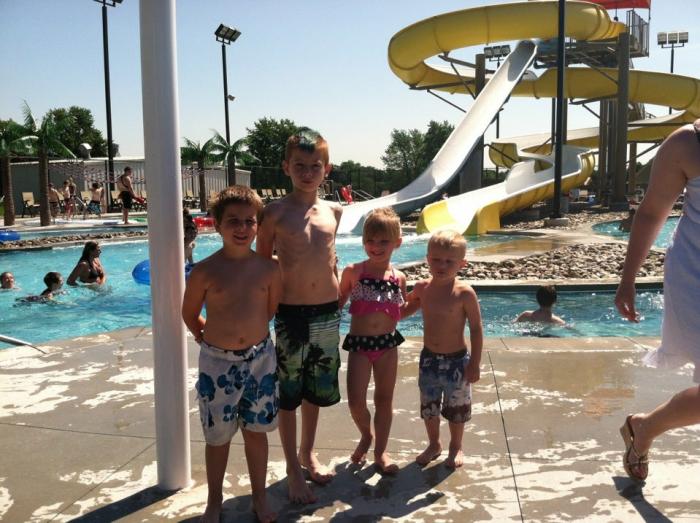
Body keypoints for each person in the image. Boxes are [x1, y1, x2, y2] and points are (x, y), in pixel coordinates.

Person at [182, 186, 281, 523]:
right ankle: (214, 500)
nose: (242, 228)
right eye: (233, 221)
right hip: (217, 364)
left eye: (249, 221)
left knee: (256, 432)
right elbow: (189, 312)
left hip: (260, 361)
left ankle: (259, 497)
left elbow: (269, 311)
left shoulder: (269, 269)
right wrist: (205, 336)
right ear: (217, 224)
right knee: (218, 437)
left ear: (258, 225)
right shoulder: (205, 271)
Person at [256, 128, 343, 504]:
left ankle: (308, 453)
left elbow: (330, 258)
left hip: (326, 313)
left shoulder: (334, 211)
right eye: (300, 166)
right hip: (290, 314)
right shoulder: (274, 213)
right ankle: (292, 468)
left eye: (315, 166)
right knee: (289, 394)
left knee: (315, 389)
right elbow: (262, 266)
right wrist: (261, 313)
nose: (307, 173)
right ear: (286, 167)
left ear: (327, 169)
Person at [615, 120, 700, 483]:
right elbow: (651, 212)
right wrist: (628, 280)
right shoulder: (687, 144)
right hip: (695, 276)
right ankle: (645, 428)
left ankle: (645, 427)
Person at [402, 230, 483, 469]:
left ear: (462, 264)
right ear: (427, 259)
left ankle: (456, 446)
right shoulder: (422, 288)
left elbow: (476, 328)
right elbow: (404, 309)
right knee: (429, 406)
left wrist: (474, 363)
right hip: (429, 360)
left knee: (457, 408)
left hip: (457, 361)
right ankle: (434, 444)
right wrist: (384, 313)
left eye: (449, 261)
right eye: (436, 259)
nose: (442, 265)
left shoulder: (464, 293)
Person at [338, 207, 406, 474]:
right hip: (360, 345)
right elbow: (337, 302)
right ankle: (366, 434)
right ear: (363, 240)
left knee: (384, 400)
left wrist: (424, 299)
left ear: (397, 243)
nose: (376, 247)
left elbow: (399, 310)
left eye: (383, 241)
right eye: (370, 241)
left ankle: (380, 452)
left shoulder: (398, 278)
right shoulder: (353, 272)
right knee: (356, 401)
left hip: (387, 345)